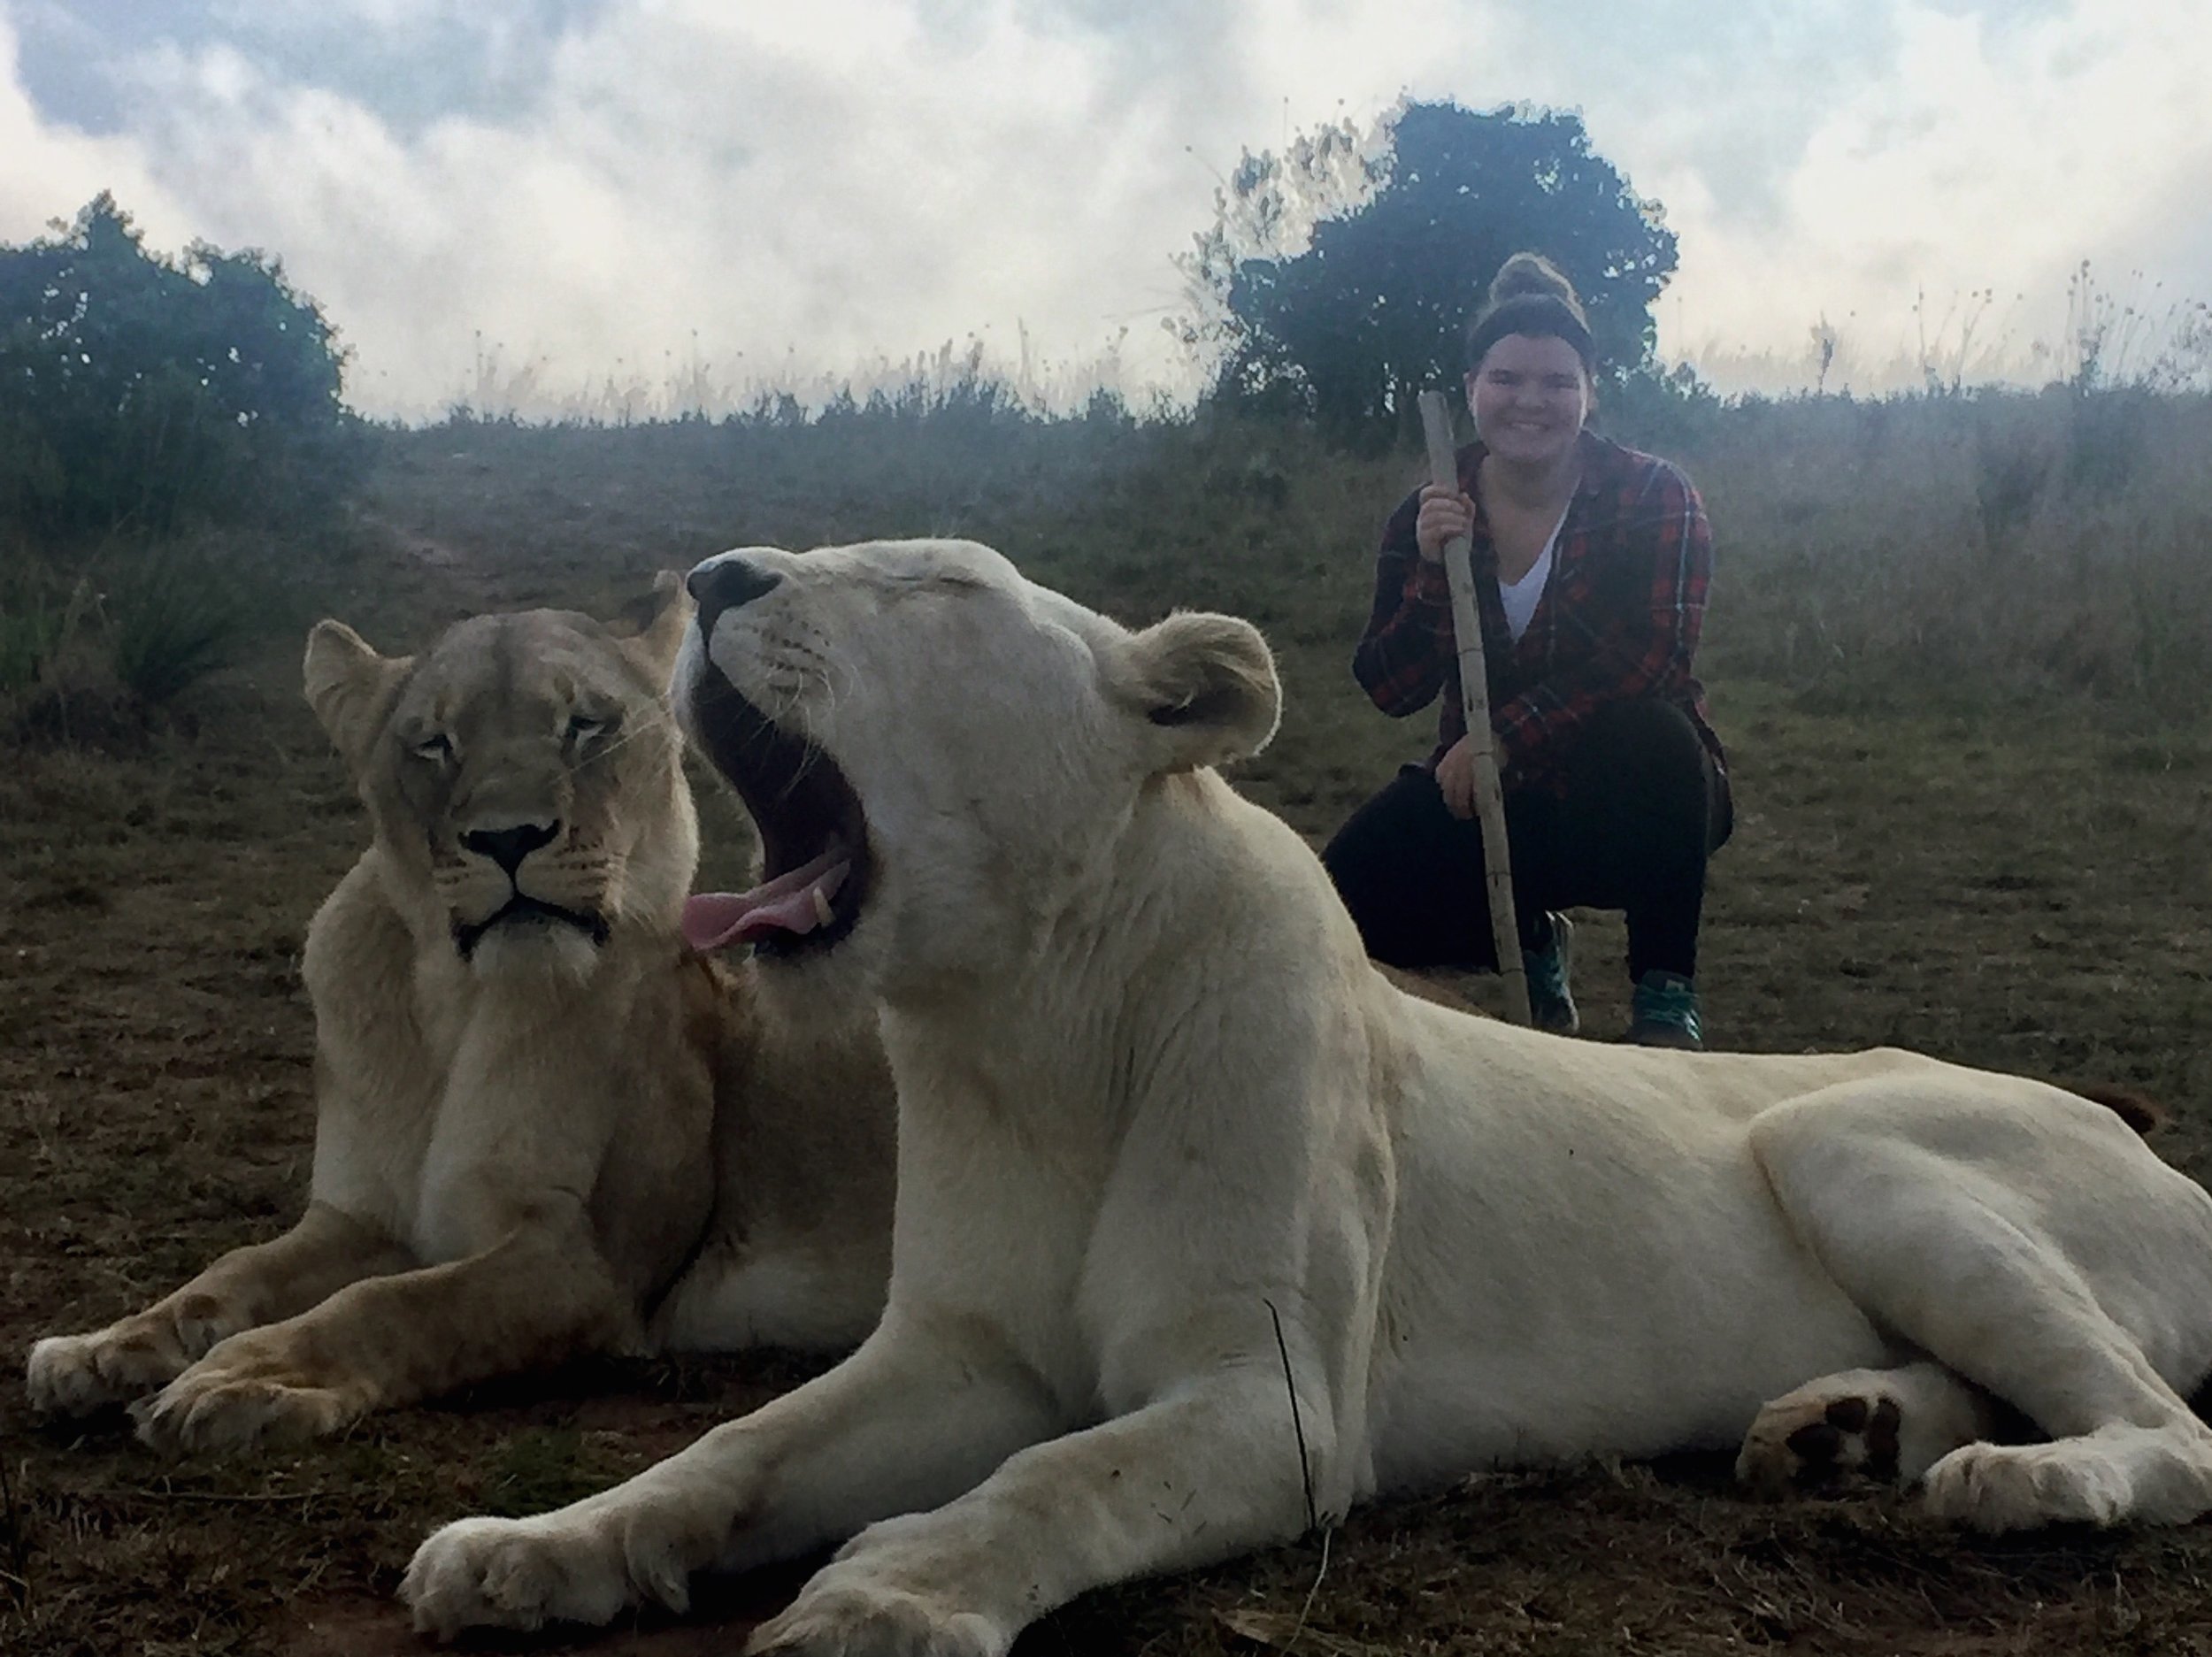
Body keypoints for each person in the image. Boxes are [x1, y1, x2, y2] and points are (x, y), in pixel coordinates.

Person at [1321, 251, 1731, 1049]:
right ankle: (1532, 941)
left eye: (1556, 382)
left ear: (1590, 391)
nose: (1530, 402)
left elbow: (1653, 655)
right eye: (1507, 379)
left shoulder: (1655, 496)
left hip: (1633, 802)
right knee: (1344, 896)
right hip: (1491, 796)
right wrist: (1436, 576)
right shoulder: (1430, 508)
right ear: (1473, 384)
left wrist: (1502, 733)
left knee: (1658, 736)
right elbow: (1388, 683)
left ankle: (1663, 993)